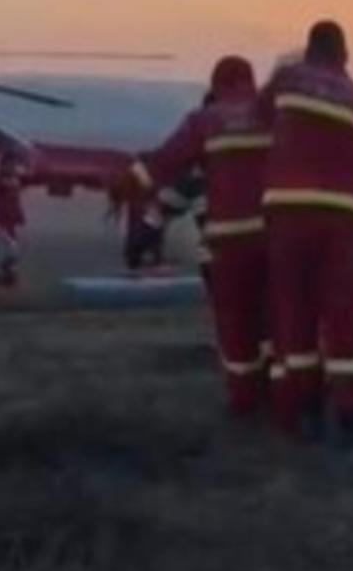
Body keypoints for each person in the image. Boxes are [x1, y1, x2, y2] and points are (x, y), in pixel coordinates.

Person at [112, 57, 273, 416]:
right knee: (273, 322)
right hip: (273, 242)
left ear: (216, 87)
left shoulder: (205, 125)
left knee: (235, 327)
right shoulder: (274, 115)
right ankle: (283, 394)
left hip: (223, 248)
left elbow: (164, 167)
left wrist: (127, 191)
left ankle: (244, 399)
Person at [261, 21, 353, 448]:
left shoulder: (287, 78)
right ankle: (349, 415)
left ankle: (306, 409)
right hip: (344, 218)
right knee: (342, 315)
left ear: (309, 49)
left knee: (295, 311)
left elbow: (260, 122)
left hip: (288, 212)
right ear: (344, 55)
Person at [0, 152, 26, 289]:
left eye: (14, 164)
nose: (12, 166)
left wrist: (19, 215)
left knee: (10, 250)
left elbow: (14, 200)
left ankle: (6, 274)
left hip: (8, 220)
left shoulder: (13, 179)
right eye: (10, 163)